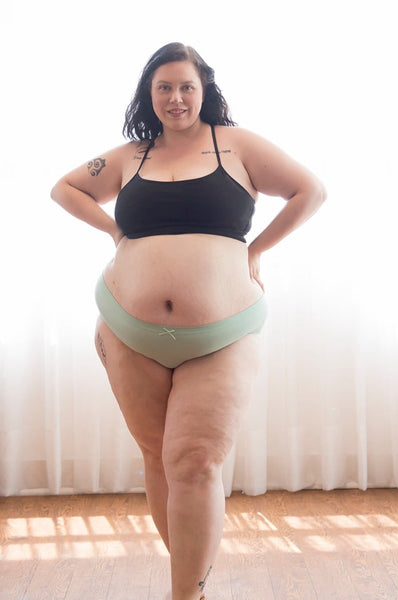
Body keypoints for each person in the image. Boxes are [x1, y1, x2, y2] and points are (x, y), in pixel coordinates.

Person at [51, 42, 326, 600]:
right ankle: (191, 590)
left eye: (186, 87)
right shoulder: (132, 155)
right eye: (164, 88)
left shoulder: (236, 145)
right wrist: (114, 231)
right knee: (159, 460)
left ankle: (183, 595)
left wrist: (256, 250)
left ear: (205, 91)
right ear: (148, 95)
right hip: (128, 330)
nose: (175, 98)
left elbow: (310, 190)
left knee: (195, 463)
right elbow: (65, 188)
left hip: (222, 333)